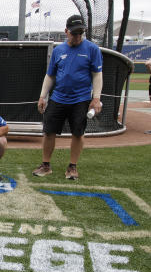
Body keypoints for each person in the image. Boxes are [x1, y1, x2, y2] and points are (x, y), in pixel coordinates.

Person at [32, 15, 103, 180]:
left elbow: (97, 74)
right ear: (66, 32)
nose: (78, 36)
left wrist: (96, 97)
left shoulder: (92, 49)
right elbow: (50, 76)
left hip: (81, 99)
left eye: (80, 33)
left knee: (78, 133)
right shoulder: (58, 51)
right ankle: (46, 165)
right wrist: (43, 96)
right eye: (74, 33)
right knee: (49, 132)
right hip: (58, 98)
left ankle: (72, 167)